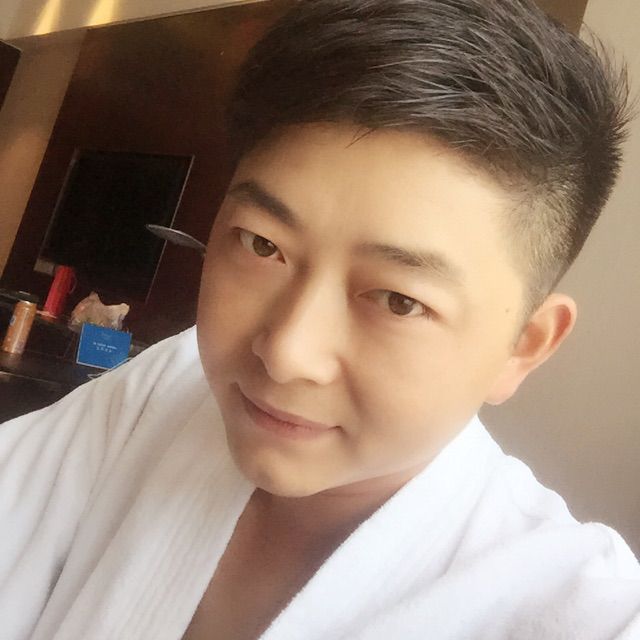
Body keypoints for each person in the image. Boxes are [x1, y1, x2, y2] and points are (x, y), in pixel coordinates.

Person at [1, 0, 639, 638]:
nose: (286, 353)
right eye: (262, 245)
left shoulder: (582, 607)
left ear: (523, 346)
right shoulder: (166, 387)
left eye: (399, 300)